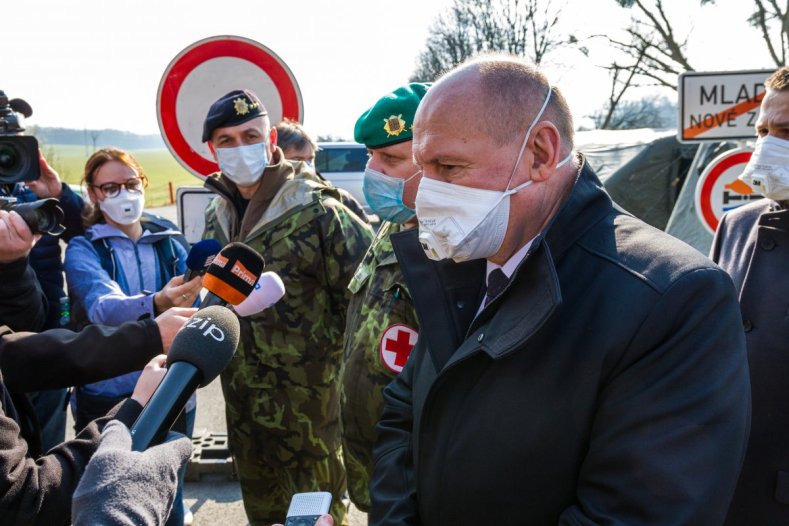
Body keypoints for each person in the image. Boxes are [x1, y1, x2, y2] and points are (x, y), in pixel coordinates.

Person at [369, 55, 751, 525]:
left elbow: (638, 512)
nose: (424, 194)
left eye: (449, 166)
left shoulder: (672, 298)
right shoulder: (464, 263)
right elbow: (402, 418)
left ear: (540, 155)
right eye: (422, 169)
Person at [201, 89, 374, 525]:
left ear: (271, 137)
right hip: (243, 414)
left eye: (250, 135)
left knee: (314, 519)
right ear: (211, 149)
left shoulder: (319, 211)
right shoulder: (216, 212)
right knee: (263, 515)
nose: (240, 148)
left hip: (309, 421)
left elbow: (365, 308)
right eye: (227, 140)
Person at [0, 210, 195, 525]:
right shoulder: (85, 246)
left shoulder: (167, 235)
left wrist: (10, 268)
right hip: (107, 400)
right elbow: (22, 499)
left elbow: (15, 348)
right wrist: (125, 421)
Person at [64, 147, 201, 526]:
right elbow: (102, 308)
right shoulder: (84, 248)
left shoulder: (170, 241)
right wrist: (158, 302)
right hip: (109, 399)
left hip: (173, 392)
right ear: (93, 193)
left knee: (169, 497)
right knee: (110, 499)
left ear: (143, 183)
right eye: (110, 187)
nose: (124, 194)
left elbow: (199, 307)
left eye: (130, 183)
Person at [339, 82, 428, 512]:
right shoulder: (393, 226)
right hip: (373, 464)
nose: (373, 171)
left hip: (417, 478)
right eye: (370, 156)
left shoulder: (454, 249)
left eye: (391, 159)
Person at [711, 66, 789, 526]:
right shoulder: (736, 226)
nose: (767, 144)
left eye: (787, 131)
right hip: (723, 491)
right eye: (762, 130)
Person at [11, 152, 86, 452]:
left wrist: (59, 196)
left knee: (46, 458)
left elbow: (87, 232)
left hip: (47, 344)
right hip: (7, 351)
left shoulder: (35, 197)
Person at [275, 119, 369, 222]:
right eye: (297, 160)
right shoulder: (263, 202)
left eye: (310, 159)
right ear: (276, 158)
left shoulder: (340, 199)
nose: (306, 166)